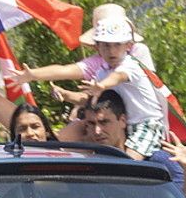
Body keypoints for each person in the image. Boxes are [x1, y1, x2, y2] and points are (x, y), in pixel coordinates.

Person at [10, 17, 166, 156]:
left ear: (128, 46)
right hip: (122, 126)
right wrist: (64, 94)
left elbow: (118, 77)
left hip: (146, 124)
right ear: (97, 47)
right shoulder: (101, 72)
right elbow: (89, 99)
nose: (111, 51)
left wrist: (102, 86)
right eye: (105, 46)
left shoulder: (130, 65)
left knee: (130, 161)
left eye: (116, 45)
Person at [81, 90, 182, 187]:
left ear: (123, 120)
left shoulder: (157, 162)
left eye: (104, 122)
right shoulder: (85, 167)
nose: (97, 131)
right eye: (91, 123)